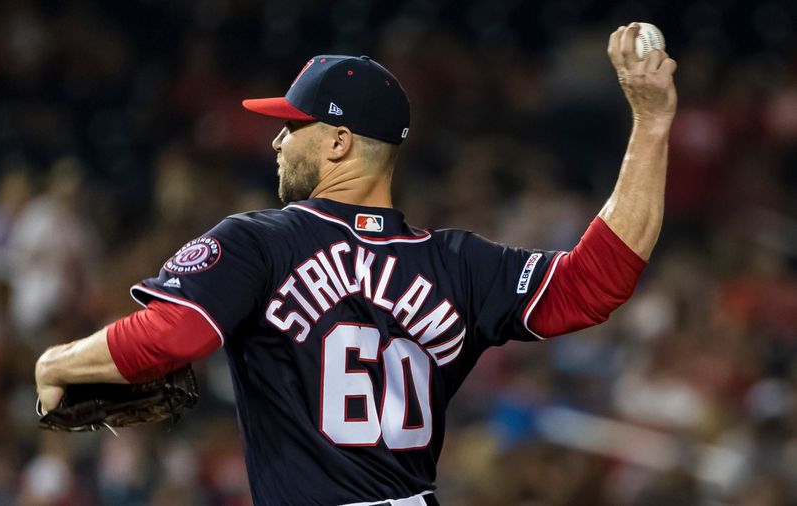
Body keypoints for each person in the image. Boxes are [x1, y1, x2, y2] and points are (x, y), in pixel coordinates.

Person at [36, 23, 677, 505]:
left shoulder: (260, 240)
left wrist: (58, 360)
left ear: (340, 141)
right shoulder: (461, 263)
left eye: (295, 125)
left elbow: (176, 336)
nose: (277, 140)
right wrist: (650, 124)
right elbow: (597, 282)